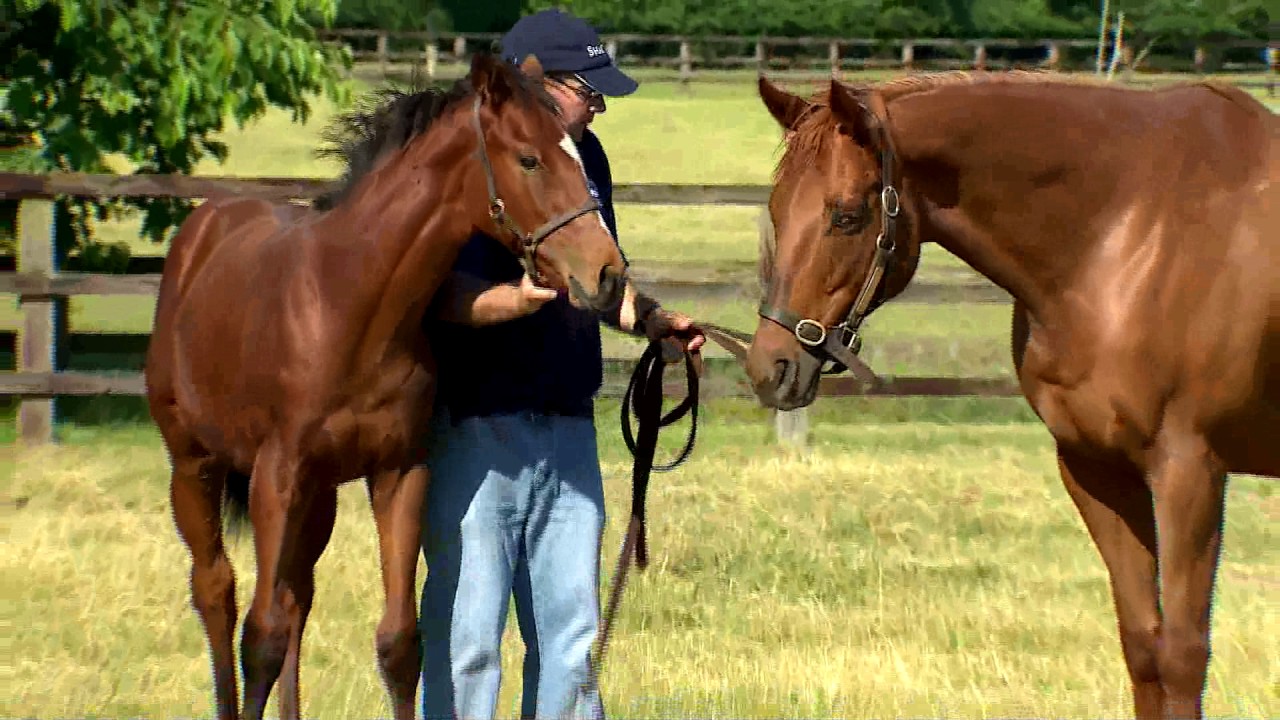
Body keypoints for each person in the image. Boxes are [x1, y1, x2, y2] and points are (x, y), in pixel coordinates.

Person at [417, 9, 706, 720]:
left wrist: (654, 322)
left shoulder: (589, 159)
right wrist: (508, 303)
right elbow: (427, 294)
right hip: (475, 427)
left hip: (568, 425)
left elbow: (603, 279)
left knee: (573, 643)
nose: (600, 104)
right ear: (540, 87)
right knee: (468, 642)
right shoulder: (464, 161)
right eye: (589, 89)